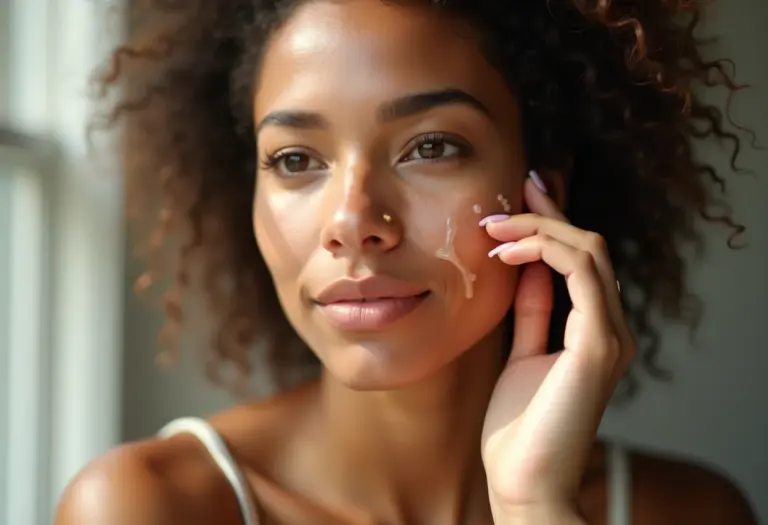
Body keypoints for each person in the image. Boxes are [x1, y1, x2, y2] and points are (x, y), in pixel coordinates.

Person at [55, 0, 758, 524]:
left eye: (431, 146)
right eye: (296, 160)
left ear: (543, 190)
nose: (353, 223)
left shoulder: (690, 511)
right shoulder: (148, 506)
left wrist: (533, 504)